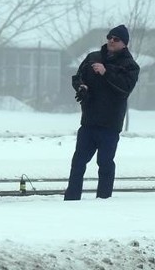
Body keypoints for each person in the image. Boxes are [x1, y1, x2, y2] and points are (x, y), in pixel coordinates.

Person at [64, 24, 140, 200]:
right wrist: (81, 87)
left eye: (116, 39)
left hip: (110, 124)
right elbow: (78, 77)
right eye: (109, 37)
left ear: (124, 44)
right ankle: (71, 198)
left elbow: (125, 88)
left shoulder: (130, 66)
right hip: (89, 120)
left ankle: (103, 199)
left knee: (105, 163)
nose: (111, 41)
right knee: (78, 162)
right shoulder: (93, 57)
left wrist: (106, 73)